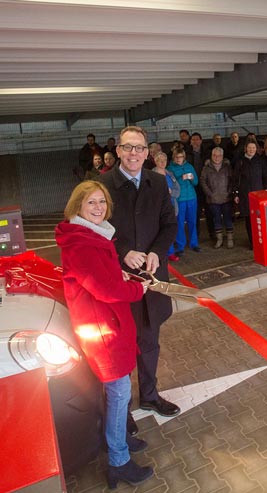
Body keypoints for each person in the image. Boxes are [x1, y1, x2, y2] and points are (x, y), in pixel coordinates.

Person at [55, 180, 153, 488]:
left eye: (101, 202)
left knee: (117, 391)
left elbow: (102, 275)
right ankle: (119, 461)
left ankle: (120, 438)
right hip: (102, 331)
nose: (98, 208)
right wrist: (137, 287)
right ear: (77, 208)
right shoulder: (81, 242)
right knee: (119, 391)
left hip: (107, 325)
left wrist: (120, 273)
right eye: (91, 204)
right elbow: (104, 288)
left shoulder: (92, 235)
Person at [99, 126, 180, 428]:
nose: (134, 153)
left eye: (139, 148)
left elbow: (169, 224)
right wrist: (122, 251)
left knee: (149, 340)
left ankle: (149, 395)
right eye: (128, 147)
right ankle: (121, 408)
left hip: (151, 277)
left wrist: (158, 251)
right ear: (118, 150)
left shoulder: (157, 183)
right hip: (118, 279)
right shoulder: (102, 185)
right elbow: (92, 229)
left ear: (147, 153)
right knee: (119, 346)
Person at [234, 141, 267, 249]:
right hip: (246, 195)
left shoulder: (260, 161)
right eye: (249, 147)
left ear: (256, 148)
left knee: (260, 218)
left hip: (259, 195)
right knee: (249, 219)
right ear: (245, 148)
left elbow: (265, 176)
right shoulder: (240, 161)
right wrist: (236, 193)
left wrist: (266, 191)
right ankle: (253, 242)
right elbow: (235, 179)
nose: (251, 150)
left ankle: (262, 240)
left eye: (253, 147)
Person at [168, 147, 200, 255]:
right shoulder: (170, 169)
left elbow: (196, 182)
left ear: (184, 157)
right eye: (176, 157)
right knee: (180, 222)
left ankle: (194, 243)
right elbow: (171, 184)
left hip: (191, 197)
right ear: (173, 157)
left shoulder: (189, 166)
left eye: (181, 157)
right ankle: (180, 246)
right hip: (179, 199)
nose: (178, 159)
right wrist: (181, 178)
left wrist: (191, 178)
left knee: (192, 221)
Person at [201, 147, 235, 248]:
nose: (216, 157)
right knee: (216, 219)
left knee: (228, 219)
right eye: (214, 155)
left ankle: (230, 239)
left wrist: (229, 191)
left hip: (226, 198)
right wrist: (209, 193)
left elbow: (232, 180)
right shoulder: (206, 167)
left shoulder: (227, 167)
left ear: (222, 156)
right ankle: (219, 239)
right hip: (213, 199)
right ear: (211, 156)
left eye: (219, 155)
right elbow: (202, 181)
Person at [152, 152, 180, 262]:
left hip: (172, 206)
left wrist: (171, 192)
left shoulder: (169, 173)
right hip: (158, 207)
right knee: (160, 230)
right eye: (160, 160)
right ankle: (161, 253)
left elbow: (177, 190)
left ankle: (171, 252)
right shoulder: (151, 174)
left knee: (170, 229)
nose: (163, 163)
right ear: (155, 161)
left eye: (165, 160)